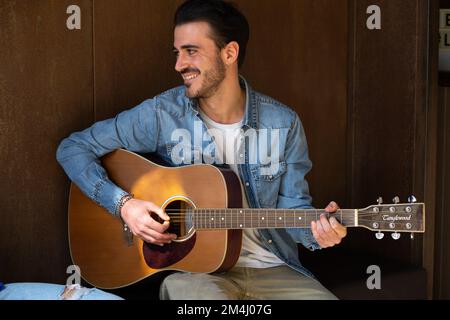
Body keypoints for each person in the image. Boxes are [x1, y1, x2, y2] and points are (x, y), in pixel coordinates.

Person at [56, 0, 347, 300]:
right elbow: (73, 148)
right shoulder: (162, 114)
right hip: (196, 276)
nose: (178, 64)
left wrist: (319, 233)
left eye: (191, 51)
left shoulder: (283, 123)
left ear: (229, 53)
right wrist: (125, 206)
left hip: (273, 270)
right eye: (177, 52)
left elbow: (294, 209)